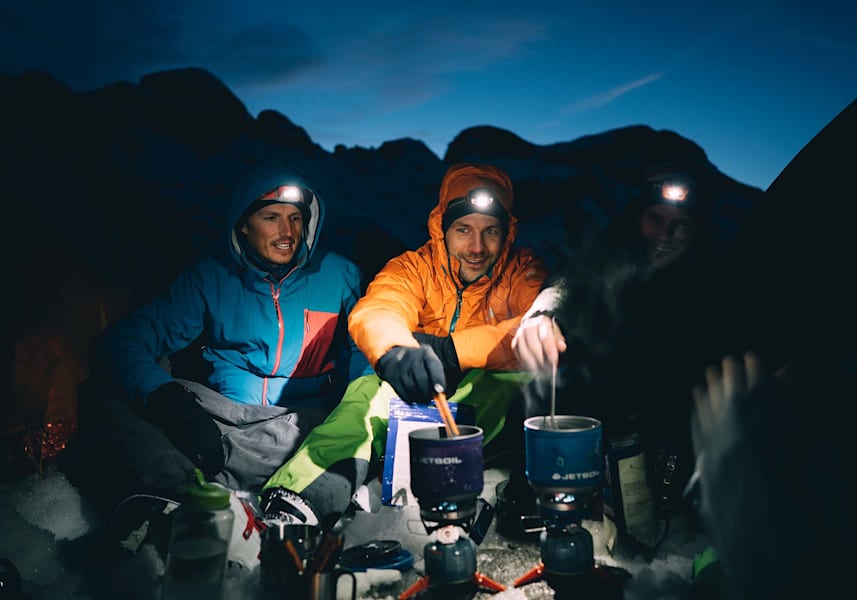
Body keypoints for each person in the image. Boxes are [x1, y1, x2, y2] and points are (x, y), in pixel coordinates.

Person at [259, 162, 547, 526]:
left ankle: (524, 481)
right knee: (366, 396)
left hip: (483, 409)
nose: (476, 247)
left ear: (506, 234)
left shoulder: (523, 272)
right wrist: (395, 351)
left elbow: (540, 323)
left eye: (490, 231)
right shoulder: (414, 268)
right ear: (442, 228)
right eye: (463, 230)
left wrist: (453, 352)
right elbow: (380, 307)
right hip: (414, 392)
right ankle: (300, 499)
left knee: (515, 374)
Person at [71, 159, 372, 502]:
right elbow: (122, 342)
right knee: (105, 396)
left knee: (355, 431)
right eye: (271, 217)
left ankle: (238, 495)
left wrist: (349, 411)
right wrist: (172, 404)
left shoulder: (339, 276)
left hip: (300, 422)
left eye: (295, 218)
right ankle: (183, 501)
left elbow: (366, 349)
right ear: (244, 225)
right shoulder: (211, 277)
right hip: (222, 417)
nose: (286, 232)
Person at [509, 159, 730, 524]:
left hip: (673, 436)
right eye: (655, 219)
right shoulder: (612, 258)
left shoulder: (714, 284)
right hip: (599, 421)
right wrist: (542, 317)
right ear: (638, 219)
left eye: (680, 225)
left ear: (698, 231)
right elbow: (568, 287)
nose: (665, 233)